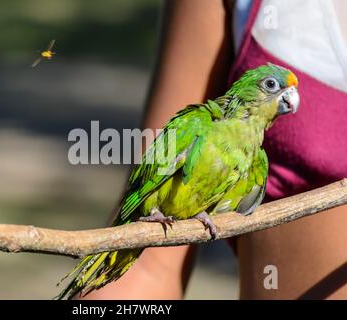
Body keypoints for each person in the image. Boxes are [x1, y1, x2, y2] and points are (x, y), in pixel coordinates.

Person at [83, 0, 347, 299]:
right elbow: (152, 268)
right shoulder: (199, 125)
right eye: (274, 86)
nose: (290, 97)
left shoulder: (254, 159)